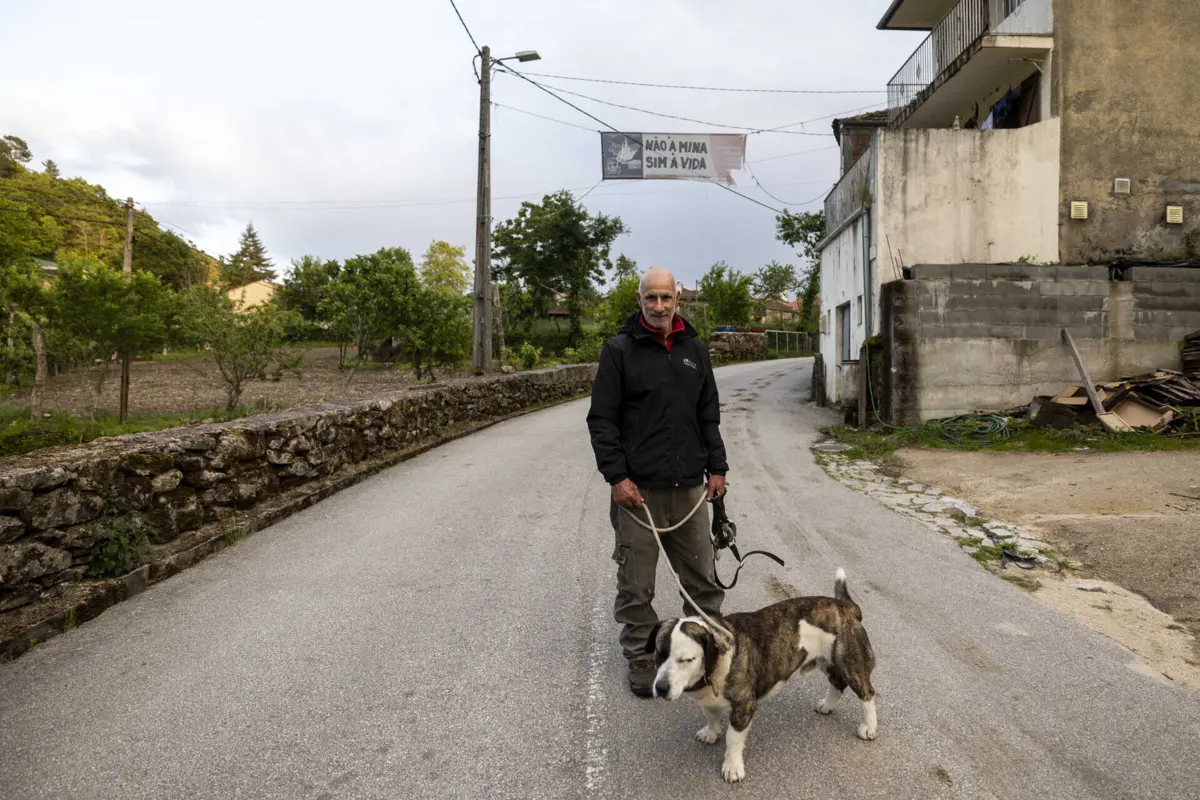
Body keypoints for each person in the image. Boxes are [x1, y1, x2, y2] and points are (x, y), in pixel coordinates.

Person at [586, 266, 728, 697]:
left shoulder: (695, 350)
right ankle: (641, 656)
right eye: (652, 298)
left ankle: (705, 652)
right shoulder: (619, 351)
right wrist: (617, 477)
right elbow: (602, 420)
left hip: (688, 489)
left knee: (702, 577)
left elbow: (709, 413)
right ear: (639, 299)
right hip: (638, 494)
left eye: (666, 298)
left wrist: (717, 469)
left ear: (677, 299)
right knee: (636, 583)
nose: (660, 305)